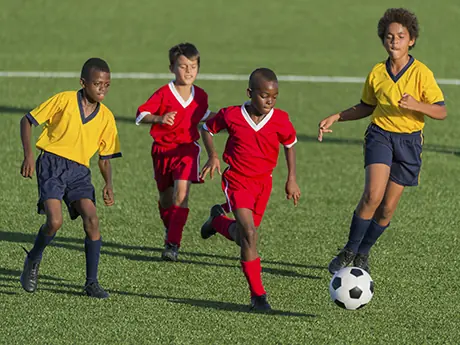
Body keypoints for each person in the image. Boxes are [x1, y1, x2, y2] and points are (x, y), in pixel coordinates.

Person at [318, 8, 447, 275]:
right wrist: (337, 117)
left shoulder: (422, 72)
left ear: (411, 39)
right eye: (389, 36)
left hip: (409, 143)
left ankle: (363, 253)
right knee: (373, 195)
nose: (394, 41)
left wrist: (417, 105)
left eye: (401, 36)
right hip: (381, 135)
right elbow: (367, 106)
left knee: (387, 208)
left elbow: (441, 111)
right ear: (383, 40)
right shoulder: (377, 72)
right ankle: (349, 250)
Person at [199, 68, 301, 312]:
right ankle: (258, 295)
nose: (269, 101)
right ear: (250, 92)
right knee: (250, 233)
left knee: (244, 237)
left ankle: (217, 222)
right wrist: (213, 155)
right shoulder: (231, 115)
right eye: (264, 95)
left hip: (263, 184)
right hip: (237, 180)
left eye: (274, 97)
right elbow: (207, 128)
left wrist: (292, 178)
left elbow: (289, 145)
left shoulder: (280, 119)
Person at [19, 58, 122, 298]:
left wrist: (108, 183)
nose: (102, 89)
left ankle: (91, 283)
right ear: (83, 83)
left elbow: (104, 157)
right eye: (97, 84)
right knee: (54, 222)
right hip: (52, 164)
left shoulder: (106, 117)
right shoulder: (64, 100)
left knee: (92, 218)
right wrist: (29, 156)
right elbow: (27, 120)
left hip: (79, 172)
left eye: (107, 85)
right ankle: (33, 259)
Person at [135, 43, 213, 261]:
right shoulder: (163, 94)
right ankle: (171, 230)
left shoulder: (201, 96)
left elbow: (204, 114)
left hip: (187, 151)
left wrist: (230, 120)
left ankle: (173, 244)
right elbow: (140, 115)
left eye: (193, 66)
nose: (188, 71)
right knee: (166, 199)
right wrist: (158, 118)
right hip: (162, 152)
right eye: (183, 66)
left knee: (181, 195)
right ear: (171, 68)